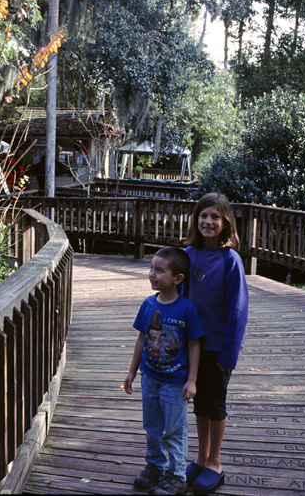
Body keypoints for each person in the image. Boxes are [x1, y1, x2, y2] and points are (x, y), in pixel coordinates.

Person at [183, 193, 249, 495]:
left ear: (225, 223)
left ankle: (215, 463)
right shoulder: (188, 254)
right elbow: (180, 300)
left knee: (215, 404)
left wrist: (229, 353)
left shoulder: (230, 260)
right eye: (203, 216)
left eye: (215, 217)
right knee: (199, 403)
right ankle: (200, 456)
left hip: (218, 347)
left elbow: (238, 309)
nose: (208, 221)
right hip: (193, 346)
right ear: (196, 220)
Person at [124, 247, 204, 495]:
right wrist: (132, 372)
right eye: (151, 268)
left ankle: (177, 474)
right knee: (152, 426)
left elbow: (194, 344)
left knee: (174, 429)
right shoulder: (148, 304)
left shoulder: (186, 309)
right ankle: (155, 465)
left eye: (159, 270)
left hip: (174, 382)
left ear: (178, 278)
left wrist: (192, 380)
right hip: (150, 378)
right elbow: (141, 339)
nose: (152, 274)